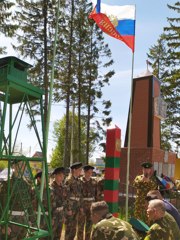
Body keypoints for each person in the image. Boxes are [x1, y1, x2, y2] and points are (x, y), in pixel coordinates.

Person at [64, 162, 83, 240]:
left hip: (77, 208)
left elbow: (80, 195)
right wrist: (68, 209)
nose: (81, 171)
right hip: (70, 209)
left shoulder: (79, 181)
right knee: (69, 229)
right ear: (74, 170)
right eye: (79, 170)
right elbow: (66, 196)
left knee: (74, 229)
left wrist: (81, 206)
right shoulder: (68, 181)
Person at [77, 165, 97, 240]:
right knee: (80, 226)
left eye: (91, 172)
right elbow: (78, 195)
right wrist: (80, 206)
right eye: (88, 172)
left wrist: (95, 206)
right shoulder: (80, 182)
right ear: (84, 172)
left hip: (91, 206)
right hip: (82, 206)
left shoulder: (94, 182)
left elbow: (96, 195)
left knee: (89, 225)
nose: (90, 174)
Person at [50, 167, 67, 240]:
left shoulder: (63, 187)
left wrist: (64, 215)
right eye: (60, 175)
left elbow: (65, 201)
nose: (62, 177)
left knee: (58, 235)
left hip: (61, 214)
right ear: (55, 175)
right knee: (51, 235)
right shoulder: (51, 187)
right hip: (53, 215)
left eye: (63, 175)